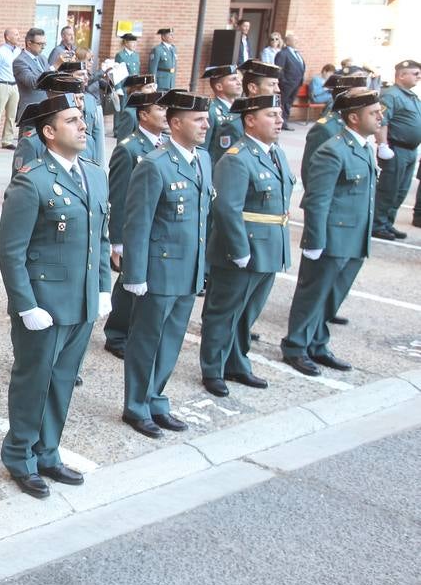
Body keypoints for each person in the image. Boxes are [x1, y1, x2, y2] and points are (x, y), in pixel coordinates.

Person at [0, 92, 110, 498]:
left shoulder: (95, 174)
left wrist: (103, 287)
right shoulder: (33, 181)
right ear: (48, 132)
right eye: (71, 120)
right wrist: (26, 305)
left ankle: (48, 451)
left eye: (82, 119)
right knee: (34, 381)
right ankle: (20, 455)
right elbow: (11, 251)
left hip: (80, 301)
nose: (83, 126)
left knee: (62, 381)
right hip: (44, 304)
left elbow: (100, 237)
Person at [118, 89, 212, 439]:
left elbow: (202, 220)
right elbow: (138, 222)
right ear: (175, 123)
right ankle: (137, 405)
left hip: (187, 269)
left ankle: (156, 398)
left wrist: (203, 267)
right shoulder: (155, 165)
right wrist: (135, 274)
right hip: (159, 270)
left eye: (206, 118)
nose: (205, 125)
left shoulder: (202, 160)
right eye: (198, 120)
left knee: (172, 340)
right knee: (147, 340)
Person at [280, 88, 383, 376]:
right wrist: (315, 239)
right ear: (353, 117)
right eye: (373, 113)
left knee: (333, 296)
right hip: (332, 237)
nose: (380, 117)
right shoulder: (333, 150)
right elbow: (318, 198)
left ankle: (317, 342)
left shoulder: (364, 147)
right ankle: (296, 345)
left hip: (354, 236)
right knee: (313, 293)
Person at [199, 93, 293, 397]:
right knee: (224, 312)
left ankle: (237, 362)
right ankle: (213, 368)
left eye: (279, 114)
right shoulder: (238, 157)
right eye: (271, 115)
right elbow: (227, 208)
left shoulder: (276, 153)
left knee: (247, 313)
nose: (279, 120)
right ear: (250, 120)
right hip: (243, 250)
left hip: (270, 248)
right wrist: (239, 250)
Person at [101, 88, 166, 360]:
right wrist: (117, 241)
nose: (165, 114)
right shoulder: (129, 148)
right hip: (132, 228)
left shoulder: (163, 145)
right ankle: (116, 334)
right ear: (144, 115)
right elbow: (118, 195)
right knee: (129, 282)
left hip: (155, 227)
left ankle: (132, 329)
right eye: (160, 110)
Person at [373, 59, 421, 240]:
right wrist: (382, 144)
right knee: (388, 189)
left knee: (401, 190)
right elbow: (382, 120)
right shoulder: (391, 95)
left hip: (410, 150)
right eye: (415, 73)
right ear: (402, 75)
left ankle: (387, 222)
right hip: (395, 148)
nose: (419, 77)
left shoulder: (411, 96)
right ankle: (377, 224)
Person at [62, 58, 106, 165]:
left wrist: (99, 166)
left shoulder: (91, 100)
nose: (86, 78)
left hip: (87, 154)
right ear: (68, 77)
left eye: (87, 74)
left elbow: (98, 136)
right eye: (81, 74)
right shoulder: (60, 100)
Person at [0, 28, 22, 148]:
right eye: (16, 34)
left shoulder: (18, 51)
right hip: (2, 84)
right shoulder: (0, 52)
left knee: (11, 115)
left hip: (15, 85)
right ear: (8, 37)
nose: (18, 37)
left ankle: (7, 140)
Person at [202, 64, 241, 158]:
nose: (239, 82)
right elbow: (203, 149)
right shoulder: (211, 112)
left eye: (238, 79)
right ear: (219, 87)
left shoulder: (239, 109)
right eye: (233, 79)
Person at [13, 28, 50, 124]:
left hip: (46, 108)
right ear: (29, 43)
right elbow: (33, 83)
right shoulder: (20, 61)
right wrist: (55, 66)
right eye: (40, 44)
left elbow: (51, 82)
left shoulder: (42, 58)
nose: (43, 47)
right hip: (30, 111)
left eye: (44, 44)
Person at [274, 33, 307, 129]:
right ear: (287, 41)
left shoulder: (297, 53)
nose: (297, 42)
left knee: (288, 103)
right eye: (294, 40)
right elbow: (279, 69)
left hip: (296, 83)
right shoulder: (283, 53)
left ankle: (284, 121)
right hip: (286, 84)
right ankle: (279, 123)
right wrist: (283, 81)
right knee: (282, 103)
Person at [113, 73, 156, 141]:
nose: (154, 90)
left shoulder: (152, 110)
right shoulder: (130, 114)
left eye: (154, 86)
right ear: (137, 91)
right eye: (149, 87)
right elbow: (122, 144)